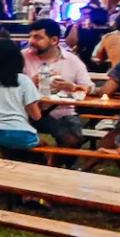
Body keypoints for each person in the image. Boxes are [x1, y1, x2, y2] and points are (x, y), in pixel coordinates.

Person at [20, 19, 90, 149]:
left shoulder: (72, 61)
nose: (31, 41)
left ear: (54, 40)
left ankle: (53, 165)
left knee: (72, 141)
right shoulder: (22, 57)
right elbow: (8, 84)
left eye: (38, 37)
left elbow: (87, 87)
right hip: (28, 111)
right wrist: (30, 83)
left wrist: (72, 87)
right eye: (30, 36)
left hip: (62, 112)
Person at [0, 37, 44, 159]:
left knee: (10, 151)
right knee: (42, 148)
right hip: (20, 132)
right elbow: (36, 116)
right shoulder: (24, 80)